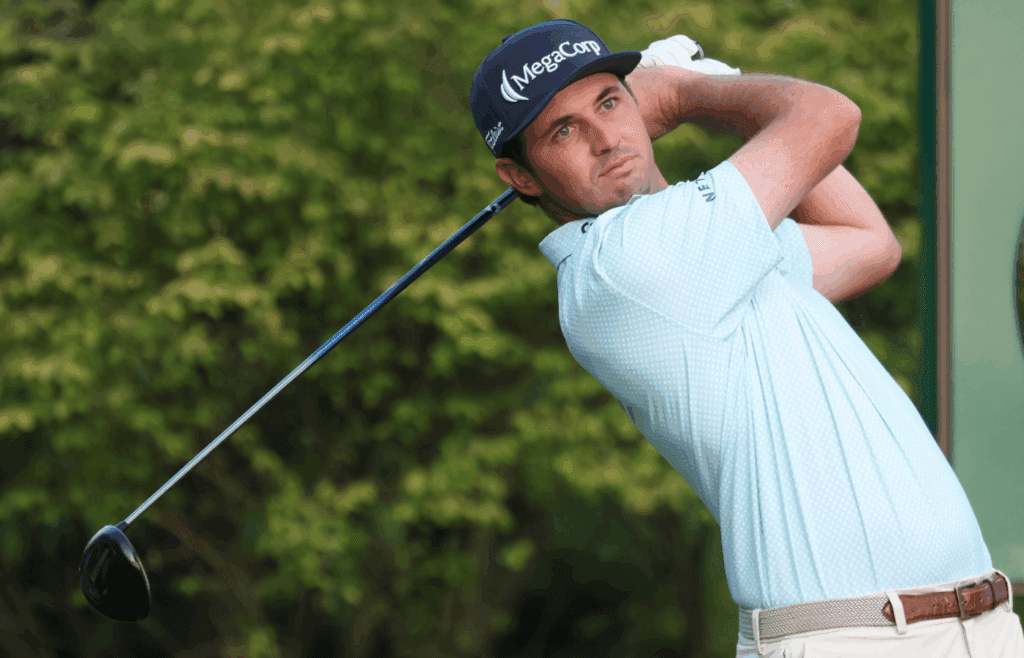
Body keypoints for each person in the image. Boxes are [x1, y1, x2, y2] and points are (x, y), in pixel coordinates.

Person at [469, 18, 1024, 658]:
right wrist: (688, 94)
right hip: (854, 638)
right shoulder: (627, 263)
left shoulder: (706, 250)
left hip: (973, 623)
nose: (603, 138)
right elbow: (831, 117)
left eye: (610, 102)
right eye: (562, 131)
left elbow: (869, 245)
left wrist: (717, 81)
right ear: (522, 177)